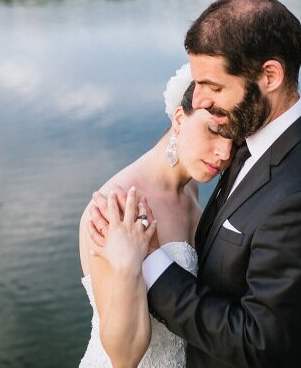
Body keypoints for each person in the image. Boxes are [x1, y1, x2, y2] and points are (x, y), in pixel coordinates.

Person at [88, 0, 301, 367]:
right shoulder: (249, 136)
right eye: (197, 84)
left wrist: (151, 262)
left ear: (270, 75)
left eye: (213, 87)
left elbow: (260, 343)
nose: (197, 100)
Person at [77, 65, 232, 368]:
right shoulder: (117, 207)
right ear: (179, 119)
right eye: (214, 130)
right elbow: (124, 357)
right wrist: (127, 265)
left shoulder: (190, 192)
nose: (224, 153)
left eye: (234, 140)